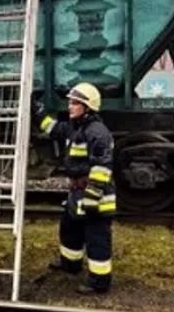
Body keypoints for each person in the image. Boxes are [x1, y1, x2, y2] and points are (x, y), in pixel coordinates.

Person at [32, 82, 115, 293]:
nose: (70, 106)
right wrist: (37, 110)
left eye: (75, 103)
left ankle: (99, 282)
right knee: (69, 229)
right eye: (70, 102)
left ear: (88, 107)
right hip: (77, 193)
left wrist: (92, 196)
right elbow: (52, 128)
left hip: (95, 195)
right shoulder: (74, 127)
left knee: (97, 238)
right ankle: (70, 264)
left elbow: (102, 167)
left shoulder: (98, 132)